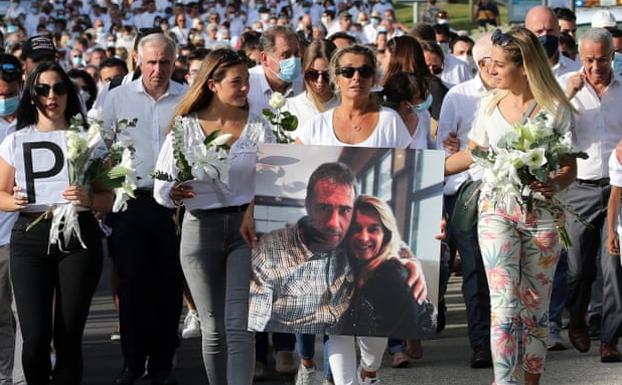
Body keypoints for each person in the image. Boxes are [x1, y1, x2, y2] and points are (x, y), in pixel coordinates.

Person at [445, 27, 576, 385]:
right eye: (488, 62)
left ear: (524, 66)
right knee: (504, 307)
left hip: (543, 217)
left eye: (499, 63)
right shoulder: (488, 106)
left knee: (535, 310)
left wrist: (554, 182)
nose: (492, 69)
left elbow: (569, 168)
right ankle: (504, 381)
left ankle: (531, 381)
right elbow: (472, 153)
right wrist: (423, 170)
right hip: (496, 211)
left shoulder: (555, 109)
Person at [296, 45, 419, 385]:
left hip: (370, 241)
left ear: (374, 78)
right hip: (330, 241)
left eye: (364, 71)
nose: (356, 78)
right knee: (335, 324)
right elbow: (296, 178)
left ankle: (370, 371)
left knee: (372, 334)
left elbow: (411, 173)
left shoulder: (390, 122)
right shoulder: (315, 127)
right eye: (348, 71)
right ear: (335, 77)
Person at [154, 48, 271, 385]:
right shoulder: (185, 128)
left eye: (247, 80)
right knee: (213, 328)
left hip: (245, 233)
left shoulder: (259, 127)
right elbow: (161, 186)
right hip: (199, 231)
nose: (246, 88)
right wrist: (172, 192)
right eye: (237, 82)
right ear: (212, 85)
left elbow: (275, 178)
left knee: (240, 325)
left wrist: (254, 207)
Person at [0, 62, 112, 385]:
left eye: (59, 88)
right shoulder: (15, 140)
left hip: (78, 236)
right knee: (34, 338)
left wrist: (89, 199)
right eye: (43, 89)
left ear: (69, 94)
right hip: (30, 235)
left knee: (68, 336)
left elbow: (110, 198)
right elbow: (1, 194)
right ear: (31, 95)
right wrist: (14, 201)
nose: (52, 96)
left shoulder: (89, 140)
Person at [103, 33, 186, 385]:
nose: (158, 69)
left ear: (174, 61)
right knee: (133, 286)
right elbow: (102, 149)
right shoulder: (117, 97)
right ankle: (133, 363)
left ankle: (163, 365)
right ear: (137, 60)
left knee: (169, 287)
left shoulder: (186, 97)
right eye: (151, 62)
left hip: (174, 203)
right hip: (131, 202)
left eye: (165, 62)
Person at [561, 28, 622, 363]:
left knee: (614, 266)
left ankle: (610, 337)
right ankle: (578, 318)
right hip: (579, 188)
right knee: (578, 270)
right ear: (580, 58)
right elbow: (549, 130)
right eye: (589, 60)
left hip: (617, 189)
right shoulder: (566, 88)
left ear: (612, 56)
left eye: (602, 59)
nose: (596, 66)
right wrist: (567, 97)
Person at [436, 32, 495, 369]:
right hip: (465, 192)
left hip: (503, 191)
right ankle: (480, 343)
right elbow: (445, 150)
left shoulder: (513, 92)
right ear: (482, 63)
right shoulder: (458, 97)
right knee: (474, 269)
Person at [335, 194, 437, 338]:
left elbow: (407, 328)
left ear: (386, 235)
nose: (363, 237)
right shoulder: (342, 257)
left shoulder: (392, 276)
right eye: (356, 229)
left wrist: (410, 261)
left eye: (373, 229)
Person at [0, 53, 25, 385]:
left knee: (27, 318)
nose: (4, 99)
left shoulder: (37, 123)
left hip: (25, 234)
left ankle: (22, 379)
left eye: (8, 93)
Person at [284, 39, 339, 141]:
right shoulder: (288, 108)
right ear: (304, 72)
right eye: (313, 74)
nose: (320, 80)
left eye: (327, 75)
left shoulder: (345, 106)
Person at [248, 26, 303, 117]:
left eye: (296, 54)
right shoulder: (246, 86)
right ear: (264, 58)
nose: (294, 60)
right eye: (286, 55)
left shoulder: (305, 86)